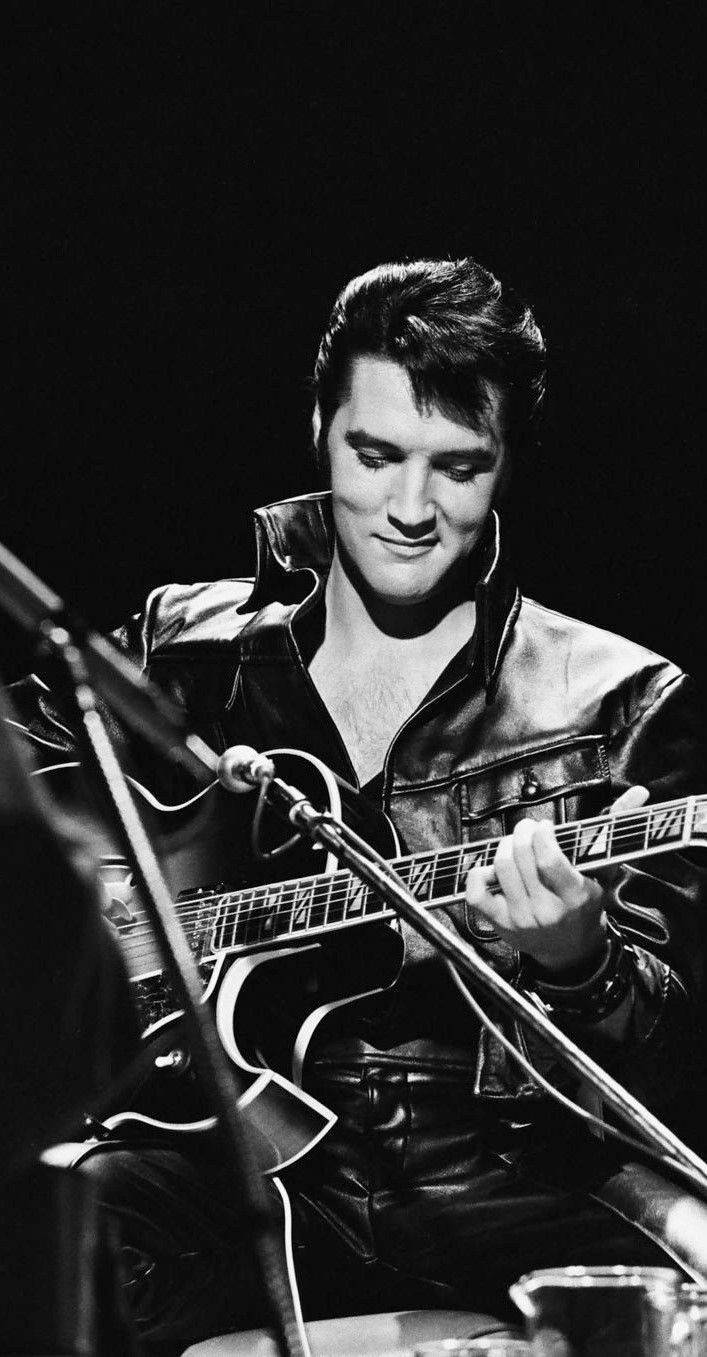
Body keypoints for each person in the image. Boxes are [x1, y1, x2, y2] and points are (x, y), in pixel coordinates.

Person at [11, 256, 707, 1351]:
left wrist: (582, 958)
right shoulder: (183, 651)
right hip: (221, 1151)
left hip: (496, 1169)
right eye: (373, 454)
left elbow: (673, 1048)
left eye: (457, 467)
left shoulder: (619, 696)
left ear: (508, 462)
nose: (407, 508)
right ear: (319, 426)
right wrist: (80, 917)